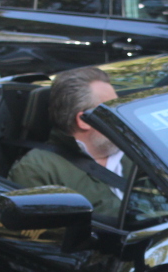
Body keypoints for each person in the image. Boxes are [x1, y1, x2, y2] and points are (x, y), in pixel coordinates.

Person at [8, 68, 125, 214]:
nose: (121, 116)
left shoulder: (139, 150)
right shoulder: (38, 170)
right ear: (84, 121)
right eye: (111, 109)